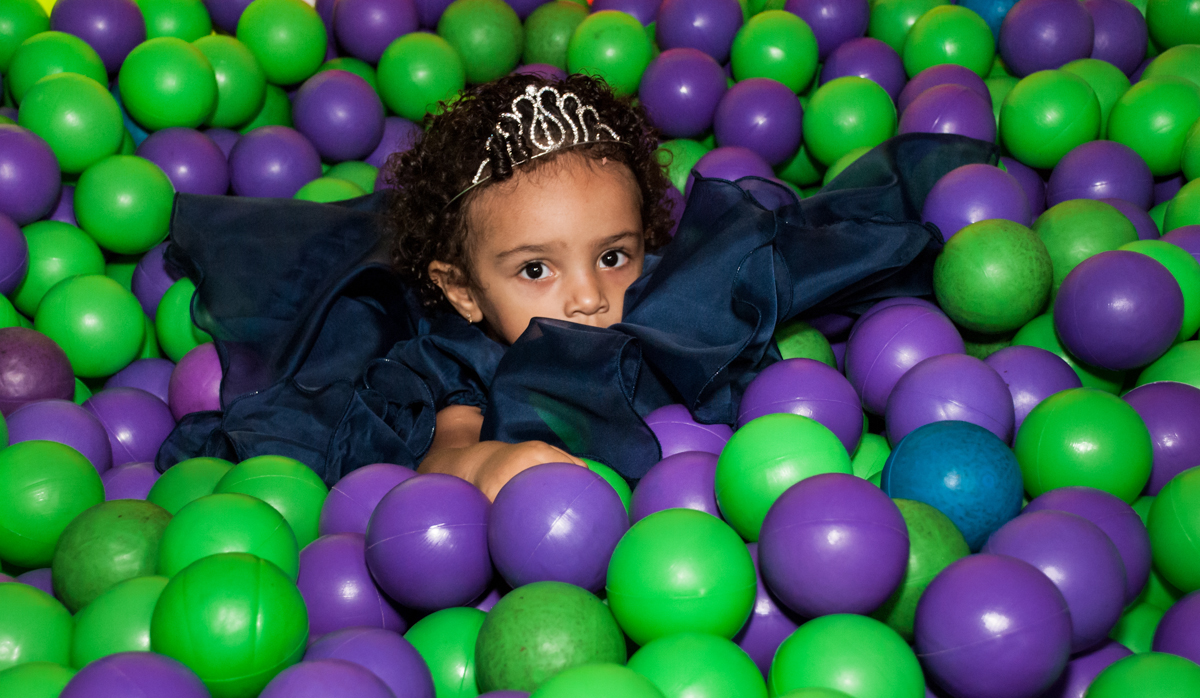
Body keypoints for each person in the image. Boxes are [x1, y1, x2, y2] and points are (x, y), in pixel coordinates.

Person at [158, 73, 997, 497]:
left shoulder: (670, 305)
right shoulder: (457, 359)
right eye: (534, 270)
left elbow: (784, 271)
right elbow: (445, 450)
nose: (589, 298)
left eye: (614, 253)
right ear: (461, 291)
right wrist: (499, 465)